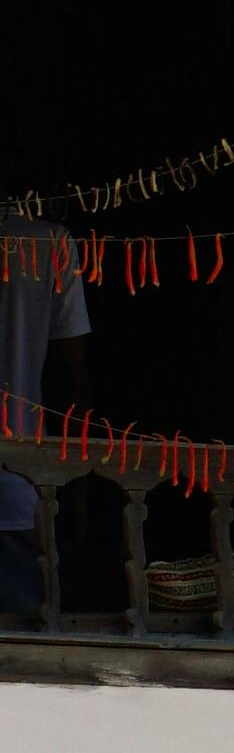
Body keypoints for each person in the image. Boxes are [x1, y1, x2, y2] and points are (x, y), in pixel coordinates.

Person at [0, 220, 90, 630]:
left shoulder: (50, 243)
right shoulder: (50, 242)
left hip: (21, 489)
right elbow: (70, 376)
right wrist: (76, 488)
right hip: (21, 485)